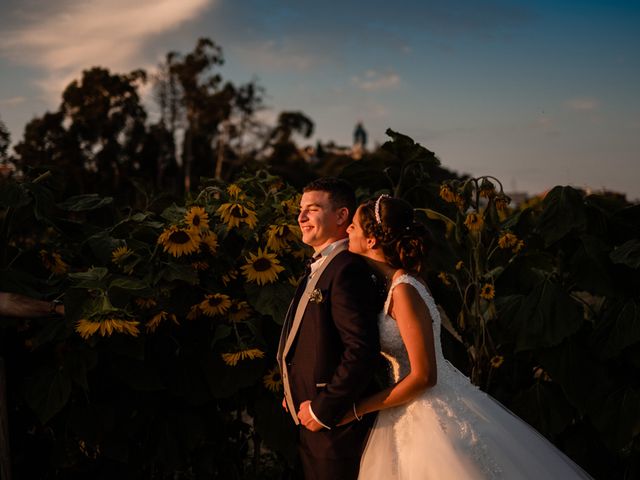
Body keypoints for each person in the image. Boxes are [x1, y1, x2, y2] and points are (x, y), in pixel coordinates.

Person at [344, 194, 593, 480]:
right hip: (406, 408)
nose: (347, 230)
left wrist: (357, 408)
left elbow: (424, 376)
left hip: (428, 409)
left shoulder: (404, 290)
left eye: (353, 226)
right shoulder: (397, 284)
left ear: (372, 240)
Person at [277, 177, 382, 480]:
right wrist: (292, 388)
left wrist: (324, 409)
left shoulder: (347, 269)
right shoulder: (324, 264)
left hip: (335, 426)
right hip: (310, 416)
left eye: (312, 209)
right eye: (300, 210)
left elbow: (361, 350)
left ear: (341, 216)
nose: (300, 218)